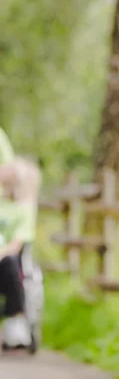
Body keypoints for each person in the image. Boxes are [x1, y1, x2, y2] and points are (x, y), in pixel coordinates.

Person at [0, 127, 40, 349]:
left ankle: (16, 318)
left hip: (6, 260)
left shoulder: (23, 211)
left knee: (9, 264)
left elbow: (16, 245)